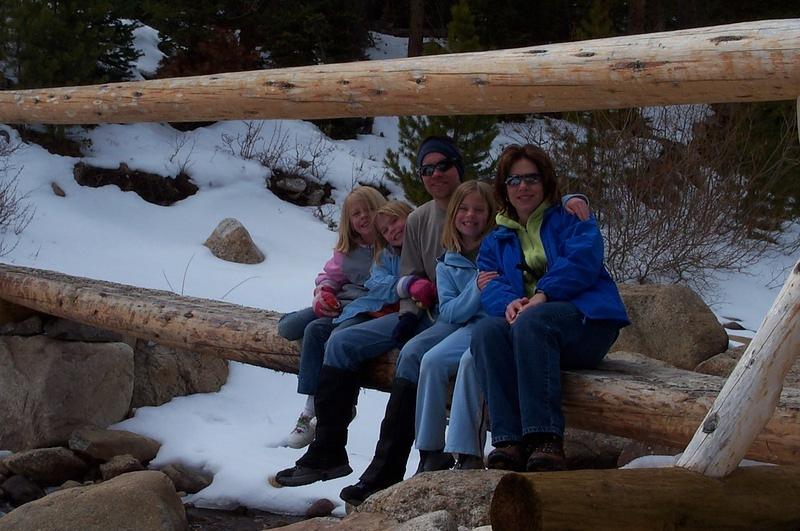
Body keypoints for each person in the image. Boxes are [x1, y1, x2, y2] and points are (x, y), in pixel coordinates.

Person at [274, 137, 591, 505]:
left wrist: (573, 199)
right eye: (427, 169)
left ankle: (393, 465)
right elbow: (404, 277)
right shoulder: (421, 218)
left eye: (444, 166)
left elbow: (536, 201)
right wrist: (407, 313)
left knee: (418, 355)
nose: (436, 174)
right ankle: (329, 450)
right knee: (339, 341)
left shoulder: (488, 201)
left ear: (459, 167)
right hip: (426, 315)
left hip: (481, 316)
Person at [472, 144, 630, 473]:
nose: (523, 187)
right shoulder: (496, 239)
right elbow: (490, 283)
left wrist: (543, 293)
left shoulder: (572, 217)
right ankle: (508, 441)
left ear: (545, 182)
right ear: (504, 188)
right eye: (514, 180)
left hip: (585, 324)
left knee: (534, 321)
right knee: (487, 331)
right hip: (532, 330)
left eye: (531, 178)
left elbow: (583, 262)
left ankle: (544, 439)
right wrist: (509, 302)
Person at [276, 185, 386, 448]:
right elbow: (330, 276)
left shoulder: (390, 246)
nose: (363, 217)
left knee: (327, 334)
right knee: (292, 328)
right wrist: (323, 292)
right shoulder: (348, 250)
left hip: (364, 310)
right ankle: (313, 404)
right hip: (339, 303)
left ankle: (315, 408)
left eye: (369, 209)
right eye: (356, 213)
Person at [413, 180, 496, 473]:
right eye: (463, 208)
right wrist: (475, 288)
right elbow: (450, 312)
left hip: (497, 328)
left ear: (490, 215)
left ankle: (468, 452)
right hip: (470, 325)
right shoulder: (447, 263)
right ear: (453, 214)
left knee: (469, 362)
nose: (470, 215)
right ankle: (430, 450)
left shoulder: (499, 248)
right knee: (431, 361)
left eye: (479, 209)